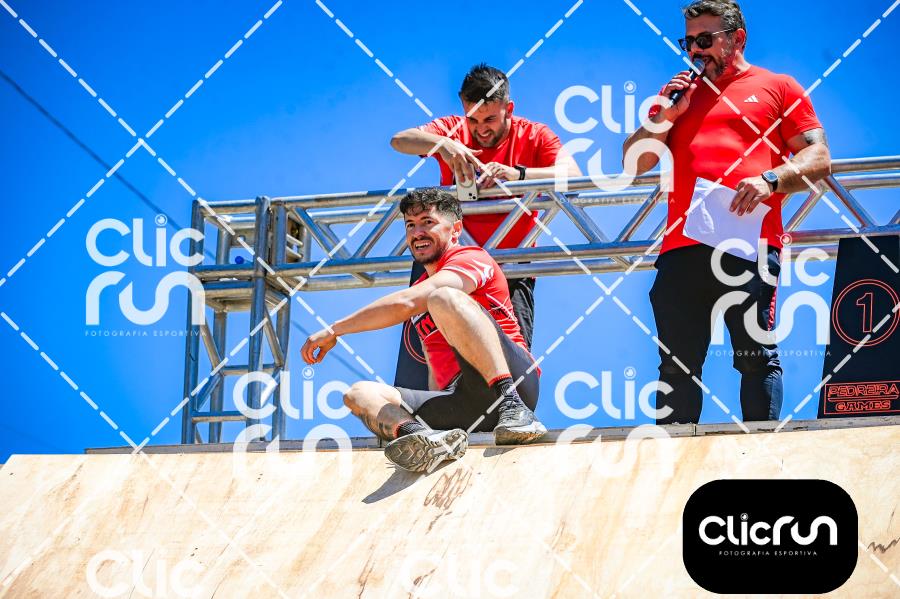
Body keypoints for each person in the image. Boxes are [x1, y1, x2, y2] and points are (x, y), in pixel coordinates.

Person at [622, 0, 831, 424]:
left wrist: (771, 179)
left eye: (705, 39)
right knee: (676, 365)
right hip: (682, 246)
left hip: (749, 242)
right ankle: (672, 456)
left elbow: (820, 158)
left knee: (755, 356)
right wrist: (667, 115)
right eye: (688, 42)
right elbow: (631, 163)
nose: (695, 51)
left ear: (738, 38)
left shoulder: (778, 86)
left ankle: (758, 450)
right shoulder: (678, 96)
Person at [300, 188, 546, 472]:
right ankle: (424, 440)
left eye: (427, 222)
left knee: (441, 298)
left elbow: (407, 302)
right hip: (463, 399)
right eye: (410, 225)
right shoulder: (422, 295)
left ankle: (513, 407)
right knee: (357, 394)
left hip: (515, 380)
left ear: (455, 230)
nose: (417, 233)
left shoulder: (471, 258)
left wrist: (335, 330)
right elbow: (437, 369)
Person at [390, 64, 581, 389]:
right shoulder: (452, 129)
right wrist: (444, 145)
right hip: (450, 264)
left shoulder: (534, 135)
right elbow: (399, 140)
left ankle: (507, 414)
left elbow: (573, 175)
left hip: (510, 267)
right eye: (473, 119)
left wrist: (518, 174)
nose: (480, 129)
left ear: (509, 109)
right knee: (430, 365)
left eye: (490, 119)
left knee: (510, 366)